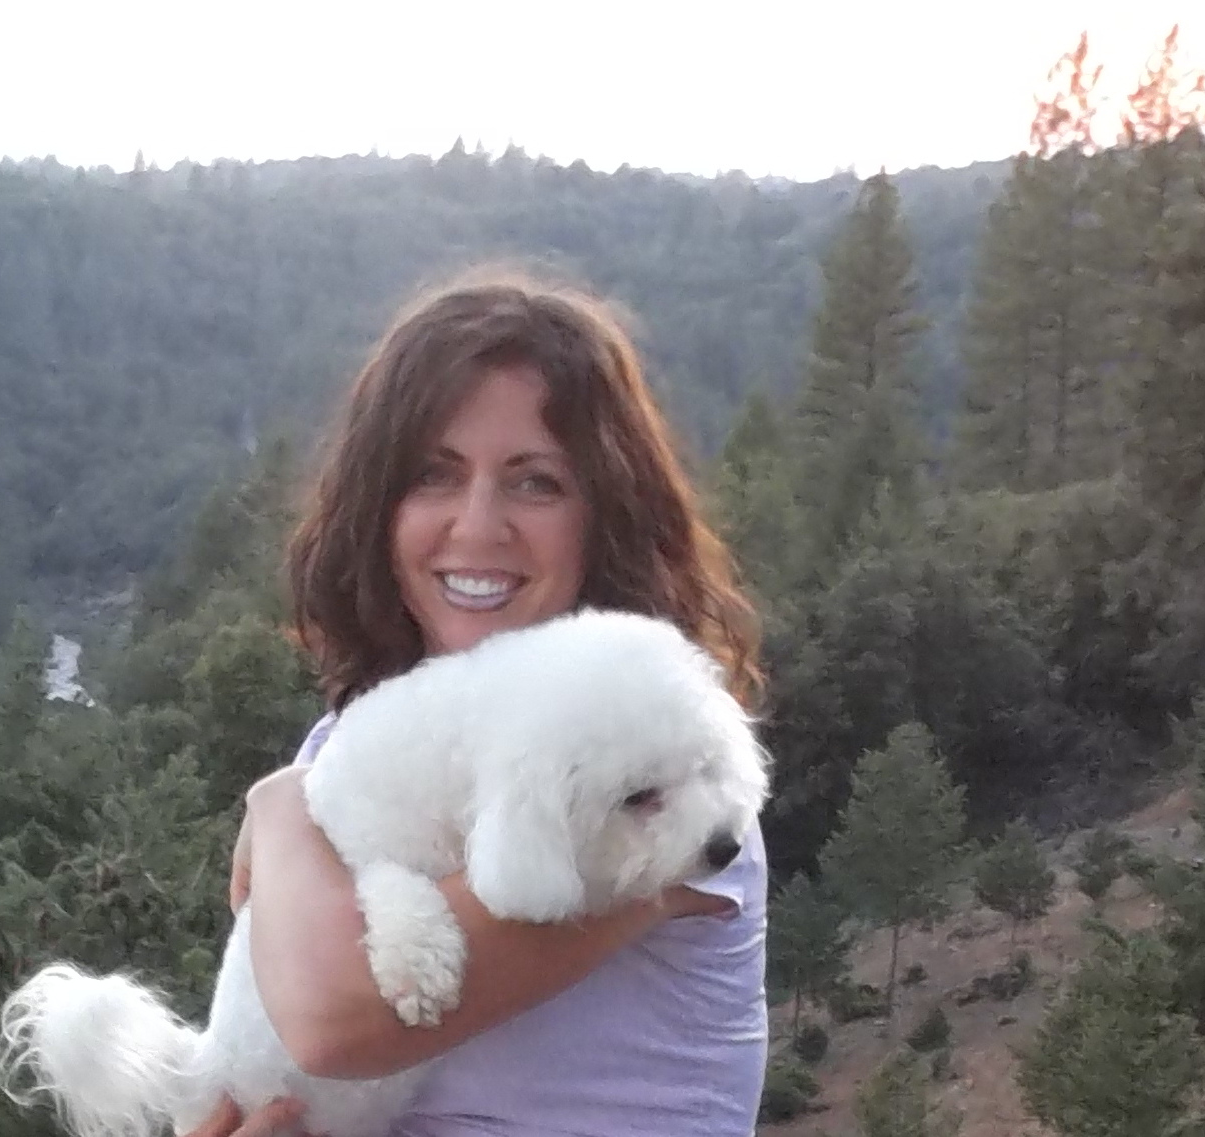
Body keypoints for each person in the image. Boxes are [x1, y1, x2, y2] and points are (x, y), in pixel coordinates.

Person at [184, 271, 770, 1137]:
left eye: (535, 482)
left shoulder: (667, 790)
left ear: (604, 512)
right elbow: (264, 1064)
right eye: (433, 475)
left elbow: (334, 1019)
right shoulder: (349, 740)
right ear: (379, 509)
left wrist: (275, 808)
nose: (477, 525)